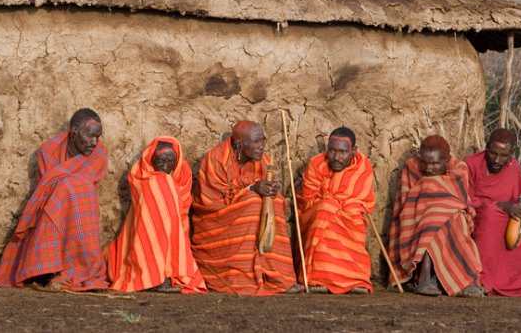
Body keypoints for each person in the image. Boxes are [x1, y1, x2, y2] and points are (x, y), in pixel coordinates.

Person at [0, 108, 109, 291]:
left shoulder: (99, 153)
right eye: (90, 136)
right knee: (61, 195)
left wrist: (68, 187)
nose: (94, 142)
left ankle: (80, 269)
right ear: (74, 132)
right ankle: (49, 270)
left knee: (76, 191)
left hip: (81, 210)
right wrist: (68, 187)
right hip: (50, 206)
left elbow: (86, 185)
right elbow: (49, 187)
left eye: (98, 137)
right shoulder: (49, 150)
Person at [191, 120, 299, 295]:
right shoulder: (216, 159)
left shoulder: (261, 159)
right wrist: (251, 189)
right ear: (240, 144)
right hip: (216, 217)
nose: (262, 146)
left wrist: (269, 189)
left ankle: (279, 276)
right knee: (253, 203)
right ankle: (242, 276)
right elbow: (211, 201)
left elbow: (263, 186)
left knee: (275, 201)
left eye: (263, 140)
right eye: (256, 142)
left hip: (246, 207)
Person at [105, 136, 206, 293]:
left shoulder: (183, 175)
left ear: (177, 161)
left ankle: (169, 272)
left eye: (170, 162)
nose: (165, 167)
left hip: (175, 229)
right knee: (161, 185)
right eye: (160, 162)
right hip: (147, 230)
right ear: (151, 160)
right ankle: (155, 275)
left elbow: (182, 213)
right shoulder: (143, 176)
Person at [388, 134, 484, 297]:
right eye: (424, 162)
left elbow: (459, 200)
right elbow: (404, 202)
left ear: (446, 160)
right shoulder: (411, 167)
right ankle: (425, 276)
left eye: (434, 163)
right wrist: (427, 203)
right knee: (431, 221)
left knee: (451, 220)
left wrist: (438, 207)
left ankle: (464, 280)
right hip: (417, 218)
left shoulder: (459, 168)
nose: (428, 168)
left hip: (452, 216)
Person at [465, 128, 521, 298]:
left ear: (511, 154)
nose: (497, 160)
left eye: (503, 155)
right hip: (480, 212)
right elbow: (466, 196)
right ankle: (484, 279)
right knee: (490, 214)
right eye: (493, 153)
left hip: (508, 215)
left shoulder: (513, 167)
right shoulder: (471, 164)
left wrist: (517, 208)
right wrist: (497, 204)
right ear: (486, 148)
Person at [297, 127, 375, 294]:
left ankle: (354, 278)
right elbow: (308, 199)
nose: (336, 157)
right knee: (326, 207)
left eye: (342, 152)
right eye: (332, 151)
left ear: (353, 151)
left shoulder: (363, 166)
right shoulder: (317, 163)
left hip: (348, 212)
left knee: (352, 211)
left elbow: (362, 200)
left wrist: (336, 201)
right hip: (317, 212)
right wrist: (331, 201)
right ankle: (318, 278)